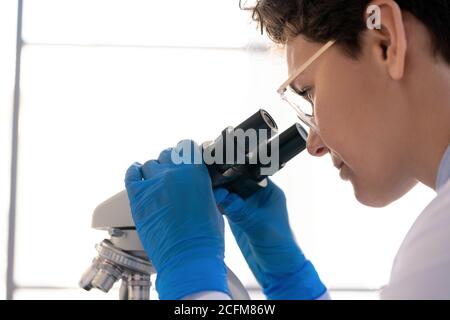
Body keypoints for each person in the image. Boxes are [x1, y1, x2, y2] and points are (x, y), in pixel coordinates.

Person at [124, 0, 450, 300]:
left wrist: (192, 281)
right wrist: (294, 285)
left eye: (308, 91)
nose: (313, 145)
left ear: (385, 40)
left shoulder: (441, 242)